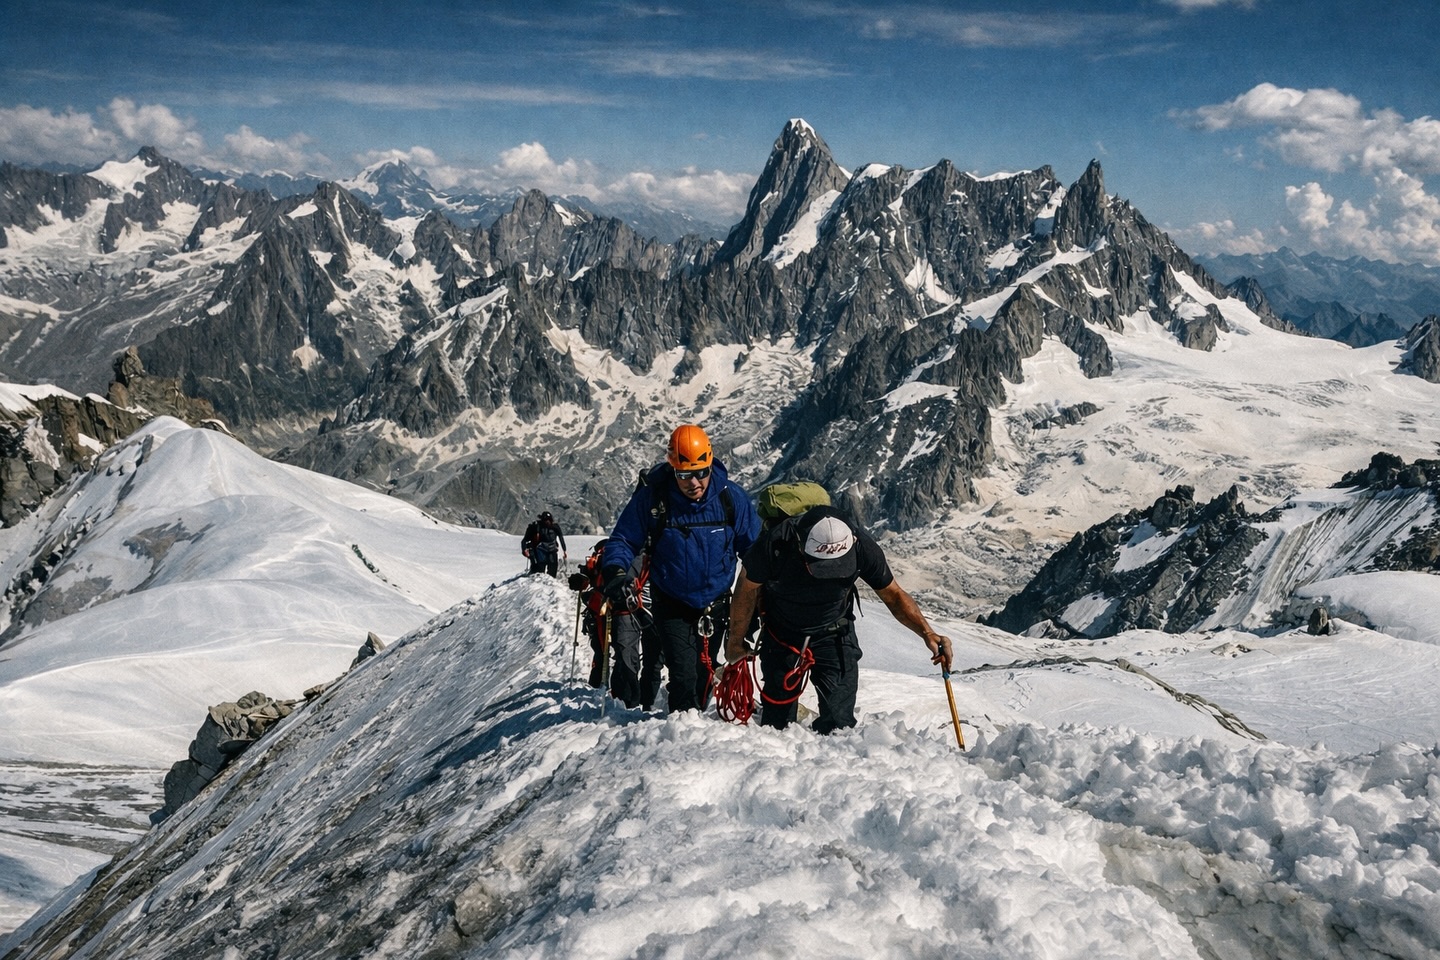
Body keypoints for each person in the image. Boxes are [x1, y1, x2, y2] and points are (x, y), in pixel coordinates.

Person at [723, 504, 954, 733]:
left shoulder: (862, 547)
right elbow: (746, 589)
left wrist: (927, 633)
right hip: (783, 634)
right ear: (800, 545)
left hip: (833, 633)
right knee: (776, 723)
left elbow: (894, 595)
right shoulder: (776, 543)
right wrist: (735, 642)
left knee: (839, 722)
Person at [603, 424, 760, 714]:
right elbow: (625, 538)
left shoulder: (730, 498)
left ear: (711, 464)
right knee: (683, 674)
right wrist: (614, 570)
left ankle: (693, 728)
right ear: (673, 468)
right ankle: (681, 734)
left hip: (716, 604)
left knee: (704, 674)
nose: (694, 482)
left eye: (701, 472)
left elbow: (753, 550)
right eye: (685, 474)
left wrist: (756, 600)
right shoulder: (654, 499)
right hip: (672, 601)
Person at [571, 541, 662, 708]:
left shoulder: (617, 552)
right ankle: (642, 704)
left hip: (624, 609)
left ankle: (628, 703)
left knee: (627, 657)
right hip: (649, 610)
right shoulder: (659, 550)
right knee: (652, 661)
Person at [522, 511, 567, 577]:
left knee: (553, 568)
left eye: (549, 520)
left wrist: (564, 550)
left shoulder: (555, 527)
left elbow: (561, 538)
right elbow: (525, 540)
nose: (547, 522)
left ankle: (551, 582)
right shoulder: (536, 527)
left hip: (552, 550)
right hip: (540, 550)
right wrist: (524, 549)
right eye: (545, 520)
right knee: (540, 571)